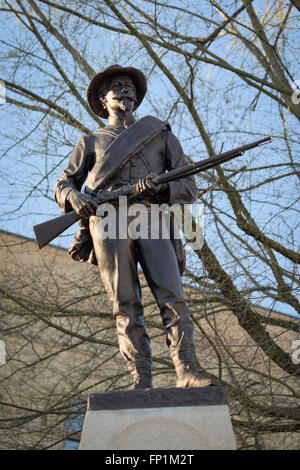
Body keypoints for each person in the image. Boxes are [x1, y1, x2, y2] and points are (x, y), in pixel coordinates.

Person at [54, 65, 215, 389]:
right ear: (103, 98)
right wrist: (74, 197)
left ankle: (185, 370)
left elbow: (188, 183)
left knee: (172, 295)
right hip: (108, 221)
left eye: (130, 87)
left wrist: (160, 190)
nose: (126, 90)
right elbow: (64, 183)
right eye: (117, 86)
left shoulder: (159, 133)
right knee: (125, 302)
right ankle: (141, 379)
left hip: (151, 217)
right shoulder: (90, 142)